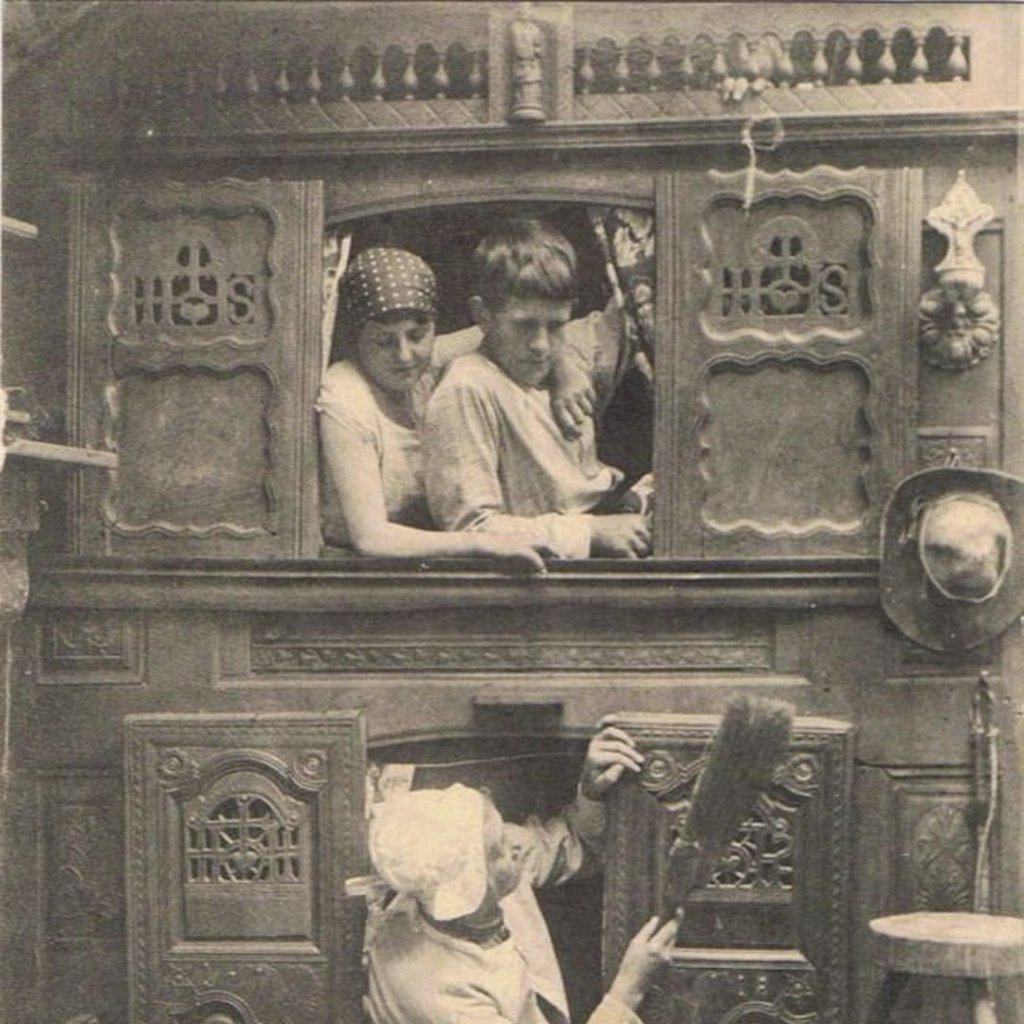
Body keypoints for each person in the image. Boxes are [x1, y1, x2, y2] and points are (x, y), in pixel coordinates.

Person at [365, 725, 679, 1024]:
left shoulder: (468, 878)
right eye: (498, 848)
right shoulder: (436, 997)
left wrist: (591, 791)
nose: (515, 844)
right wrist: (628, 990)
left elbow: (566, 843)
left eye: (501, 829)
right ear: (473, 888)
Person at [317, 245, 566, 571]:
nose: (404, 355)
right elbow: (371, 539)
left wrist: (568, 371)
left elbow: (514, 331)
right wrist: (484, 542)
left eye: (417, 335)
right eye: (384, 341)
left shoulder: (427, 363)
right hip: (357, 574)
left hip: (438, 564)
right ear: (356, 337)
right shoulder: (345, 397)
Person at [423, 218, 652, 560]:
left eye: (556, 326)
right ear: (482, 315)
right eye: (524, 325)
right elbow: (469, 527)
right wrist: (590, 533)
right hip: (556, 561)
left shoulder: (565, 360)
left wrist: (566, 364)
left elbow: (624, 321)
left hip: (611, 517)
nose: (541, 346)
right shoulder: (467, 388)